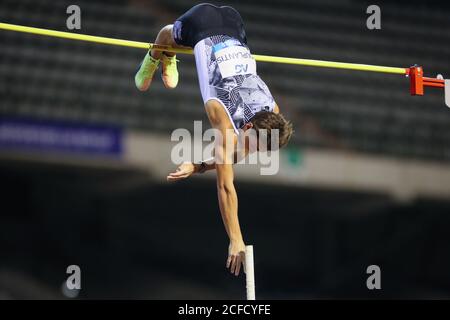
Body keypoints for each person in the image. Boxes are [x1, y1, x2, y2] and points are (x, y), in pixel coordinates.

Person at [135, 3, 293, 276]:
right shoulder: (222, 116)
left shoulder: (273, 111)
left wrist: (196, 166)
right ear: (247, 130)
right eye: (255, 146)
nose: (254, 153)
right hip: (201, 22)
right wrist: (236, 239)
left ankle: (168, 53)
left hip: (234, 24)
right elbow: (226, 187)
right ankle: (160, 56)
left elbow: (232, 157)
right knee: (168, 36)